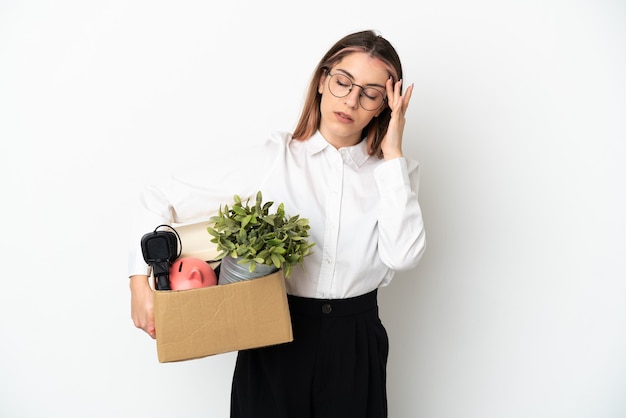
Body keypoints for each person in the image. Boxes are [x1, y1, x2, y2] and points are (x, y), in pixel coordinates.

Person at [128, 29, 426, 418]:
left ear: (386, 105)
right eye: (342, 82)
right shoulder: (273, 160)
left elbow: (402, 256)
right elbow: (160, 197)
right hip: (274, 333)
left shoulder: (395, 175)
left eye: (370, 93)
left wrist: (393, 155)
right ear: (322, 81)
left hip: (356, 343)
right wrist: (139, 283)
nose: (351, 100)